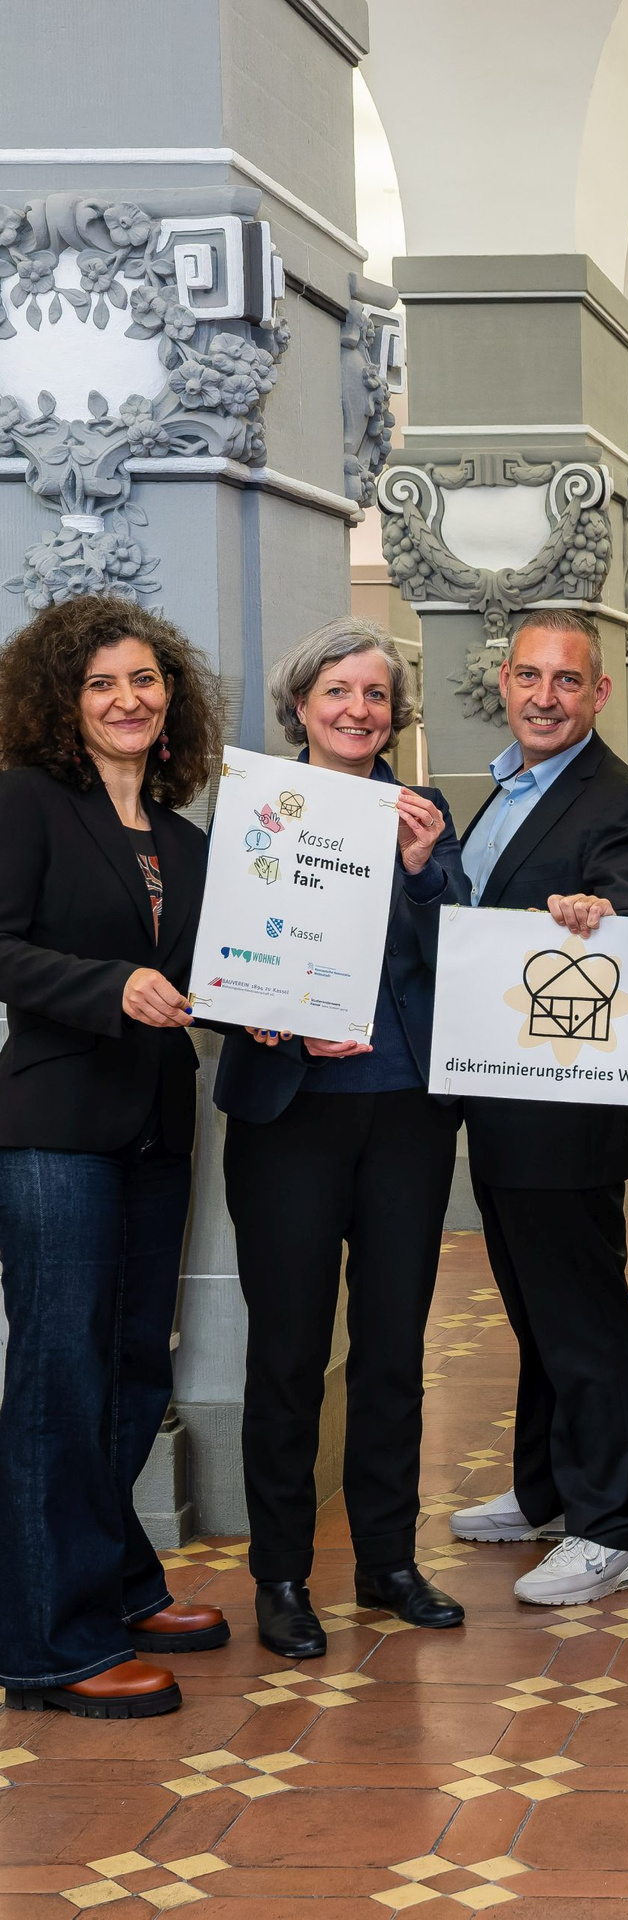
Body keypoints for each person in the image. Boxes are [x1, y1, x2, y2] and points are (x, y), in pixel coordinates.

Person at [216, 621, 469, 1658]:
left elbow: (459, 947)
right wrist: (248, 1008)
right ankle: (280, 1575)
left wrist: (422, 870)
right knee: (285, 1353)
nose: (358, 708)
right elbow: (219, 951)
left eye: (376, 694)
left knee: (395, 1348)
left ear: (394, 712)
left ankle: (387, 1560)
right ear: (303, 704)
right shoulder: (256, 808)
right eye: (338, 691)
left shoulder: (425, 813)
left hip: (404, 1108)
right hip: (290, 1115)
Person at [0, 597, 225, 1718]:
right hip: (55, 1131)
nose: (128, 700)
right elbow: (2, 949)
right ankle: (47, 1645)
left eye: (144, 680)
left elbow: (212, 978)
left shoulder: (187, 842)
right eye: (101, 685)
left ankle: (119, 1582)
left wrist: (275, 1011)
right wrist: (105, 989)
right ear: (63, 703)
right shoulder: (28, 805)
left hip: (156, 1129)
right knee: (59, 1376)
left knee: (137, 1366)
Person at [448, 609, 628, 1608]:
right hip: (500, 1100)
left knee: (586, 1318)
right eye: (530, 678)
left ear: (599, 694)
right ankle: (547, 1490)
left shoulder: (613, 798)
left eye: (567, 682)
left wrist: (602, 910)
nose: (545, 697)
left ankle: (619, 1527)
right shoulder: (499, 787)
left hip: (565, 1104)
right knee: (537, 1312)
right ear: (504, 681)